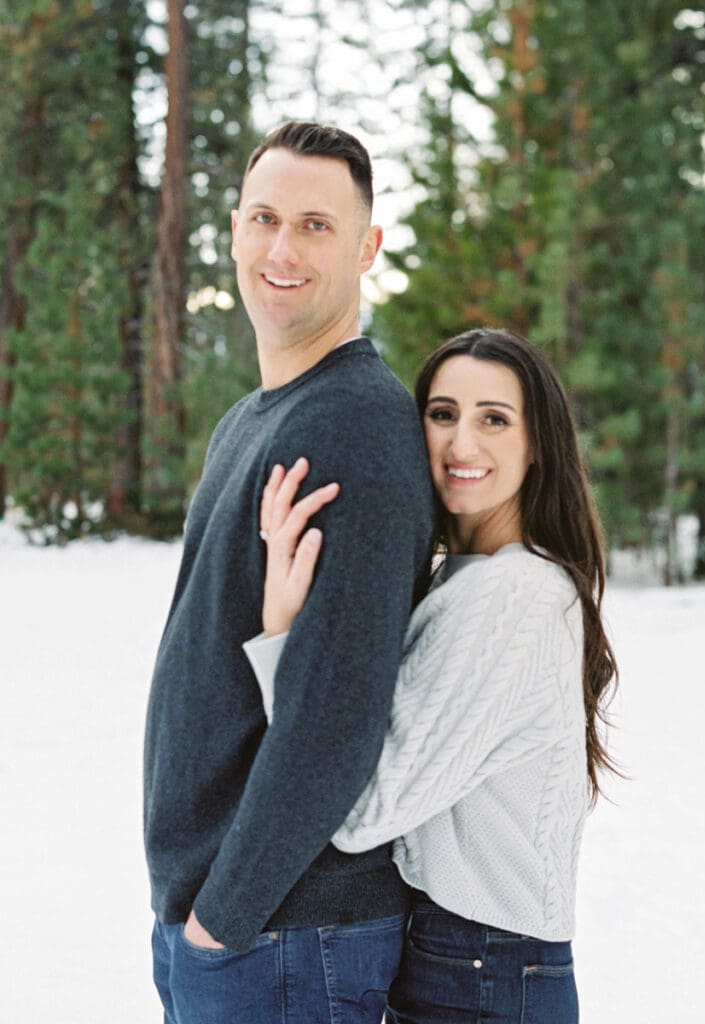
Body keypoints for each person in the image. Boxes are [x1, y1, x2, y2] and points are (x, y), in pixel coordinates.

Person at [142, 121, 435, 1024]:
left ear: (366, 247)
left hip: (285, 937)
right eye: (265, 218)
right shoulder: (254, 417)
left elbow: (335, 722)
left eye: (316, 225)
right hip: (237, 927)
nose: (282, 249)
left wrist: (223, 921)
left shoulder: (354, 424)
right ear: (233, 230)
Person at [248, 327, 619, 1023]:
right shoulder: (471, 580)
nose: (461, 445)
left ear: (536, 443)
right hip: (464, 963)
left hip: (479, 973)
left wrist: (283, 633)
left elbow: (361, 815)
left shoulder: (511, 595)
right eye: (442, 413)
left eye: (493, 419)